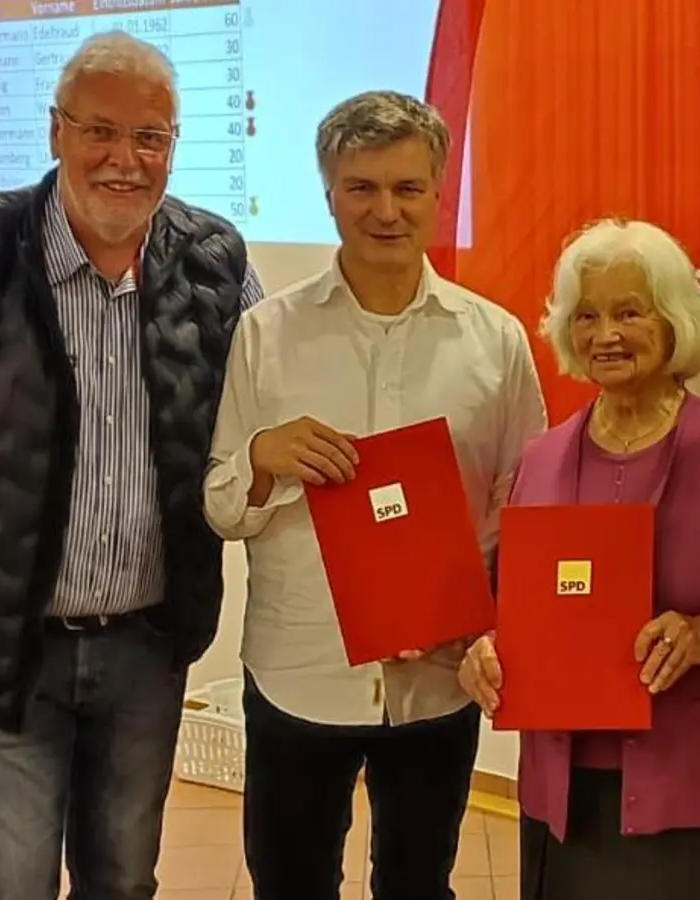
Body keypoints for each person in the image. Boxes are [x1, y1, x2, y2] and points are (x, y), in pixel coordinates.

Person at [0, 30, 262, 900]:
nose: (126, 160)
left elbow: (269, 414)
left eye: (151, 137)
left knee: (123, 878)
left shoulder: (216, 263)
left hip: (149, 646)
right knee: (10, 883)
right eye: (100, 131)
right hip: (4, 644)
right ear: (55, 132)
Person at [203, 90, 547, 900]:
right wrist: (263, 456)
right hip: (300, 671)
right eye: (361, 188)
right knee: (289, 883)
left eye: (407, 188)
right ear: (329, 194)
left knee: (419, 882)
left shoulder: (494, 339)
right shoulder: (267, 333)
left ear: (437, 191)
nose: (385, 210)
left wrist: (482, 616)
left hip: (437, 679)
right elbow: (222, 503)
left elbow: (526, 507)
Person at [456, 218, 700, 900]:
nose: (605, 334)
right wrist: (485, 647)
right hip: (567, 795)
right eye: (587, 316)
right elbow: (511, 601)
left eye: (629, 312)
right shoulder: (541, 459)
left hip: (697, 789)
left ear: (672, 324)